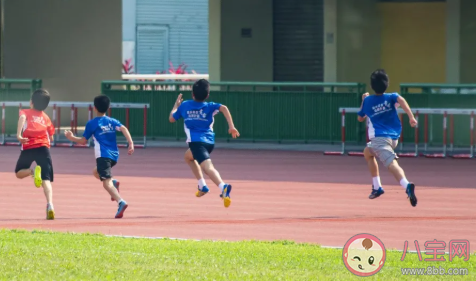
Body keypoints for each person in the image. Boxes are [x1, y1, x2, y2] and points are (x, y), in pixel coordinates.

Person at [169, 79, 239, 208]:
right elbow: (224, 108)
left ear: (192, 94)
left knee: (208, 168)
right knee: (188, 157)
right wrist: (231, 126)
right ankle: (202, 186)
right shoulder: (209, 106)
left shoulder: (184, 105)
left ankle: (223, 187)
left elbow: (171, 118)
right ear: (207, 95)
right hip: (209, 143)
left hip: (197, 143)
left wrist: (176, 105)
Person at [65, 95, 134, 218]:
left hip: (103, 156)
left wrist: (71, 138)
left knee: (105, 183)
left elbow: (83, 141)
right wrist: (131, 142)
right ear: (107, 108)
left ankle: (120, 202)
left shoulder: (92, 123)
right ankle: (114, 182)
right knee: (96, 172)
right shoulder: (112, 121)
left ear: (95, 108)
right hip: (114, 157)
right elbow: (123, 128)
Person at [357, 69, 418, 207]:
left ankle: (407, 185)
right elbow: (401, 100)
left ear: (372, 86)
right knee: (368, 152)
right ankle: (377, 187)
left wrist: (363, 101)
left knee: (391, 164)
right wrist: (411, 117)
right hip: (393, 138)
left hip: (380, 139)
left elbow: (360, 118)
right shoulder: (391, 97)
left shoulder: (368, 101)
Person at [15, 89, 56, 219]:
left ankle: (32, 171)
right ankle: (50, 205)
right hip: (43, 148)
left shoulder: (25, 112)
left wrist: (19, 134)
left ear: (31, 102)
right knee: (46, 179)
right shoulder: (46, 118)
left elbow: (22, 118)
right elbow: (52, 136)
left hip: (28, 147)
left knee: (19, 173)